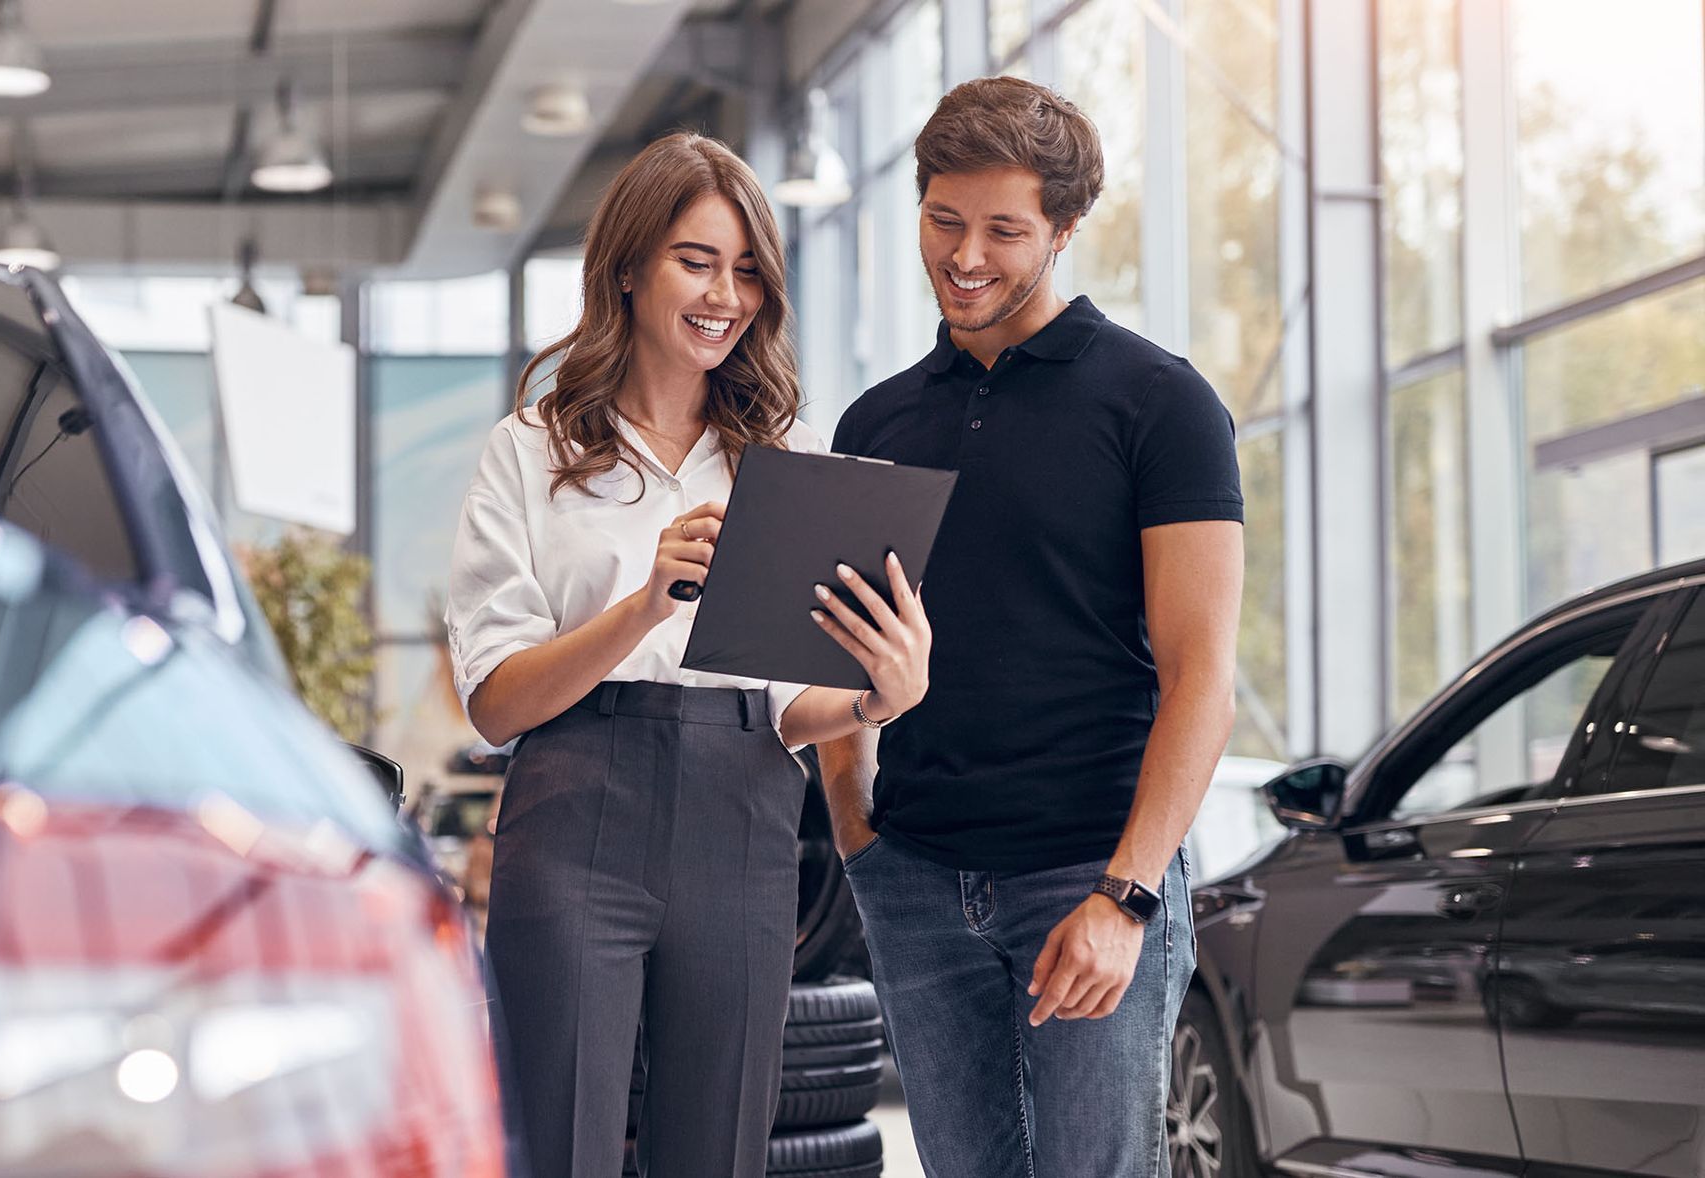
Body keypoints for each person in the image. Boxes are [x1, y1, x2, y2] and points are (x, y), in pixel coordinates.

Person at [444, 132, 934, 1178]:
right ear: (628, 267)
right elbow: (494, 703)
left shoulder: (785, 460)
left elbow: (788, 700)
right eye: (697, 259)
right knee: (559, 1139)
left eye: (748, 267)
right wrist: (643, 605)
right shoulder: (530, 451)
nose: (727, 293)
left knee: (718, 1148)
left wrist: (872, 699)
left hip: (744, 813)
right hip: (575, 809)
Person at [820, 77, 1245, 1177]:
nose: (966, 256)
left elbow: (1203, 675)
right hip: (915, 875)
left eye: (1004, 230)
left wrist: (1126, 894)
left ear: (1062, 229)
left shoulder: (1161, 404)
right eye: (944, 221)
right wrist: (859, 831)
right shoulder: (877, 421)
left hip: (1087, 874)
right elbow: (842, 647)